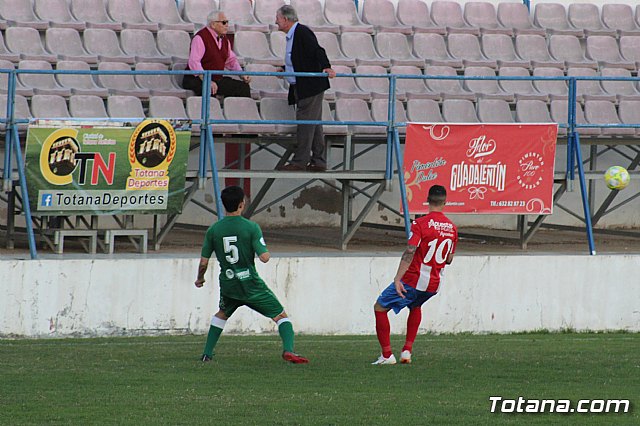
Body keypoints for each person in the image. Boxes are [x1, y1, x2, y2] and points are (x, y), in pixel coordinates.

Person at [195, 185, 309, 364]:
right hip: (250, 283)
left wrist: (200, 278)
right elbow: (264, 257)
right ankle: (289, 350)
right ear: (242, 204)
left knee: (222, 314)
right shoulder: (251, 227)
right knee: (280, 316)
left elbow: (203, 262)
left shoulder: (214, 230)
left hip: (229, 283)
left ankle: (206, 354)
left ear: (224, 205)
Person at [372, 185, 458, 365]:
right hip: (433, 284)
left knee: (380, 307)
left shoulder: (420, 224)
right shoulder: (452, 228)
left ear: (428, 200)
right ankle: (407, 351)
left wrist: (397, 279)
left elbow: (410, 250)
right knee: (416, 306)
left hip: (413, 279)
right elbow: (449, 259)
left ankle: (387, 355)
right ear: (445, 202)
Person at [274, 5, 336, 172]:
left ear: (286, 19)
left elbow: (317, 50)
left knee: (305, 123)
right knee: (314, 124)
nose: (276, 22)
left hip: (309, 85)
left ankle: (300, 161)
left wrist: (327, 66)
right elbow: (299, 58)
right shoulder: (294, 34)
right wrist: (285, 68)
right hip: (304, 85)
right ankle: (318, 161)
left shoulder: (302, 32)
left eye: (278, 18)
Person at [182, 10, 251, 98]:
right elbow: (194, 62)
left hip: (215, 78)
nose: (227, 25)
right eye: (223, 22)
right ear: (213, 24)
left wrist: (242, 74)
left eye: (227, 22)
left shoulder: (225, 40)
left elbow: (231, 61)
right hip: (196, 79)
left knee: (242, 87)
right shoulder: (200, 37)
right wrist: (207, 80)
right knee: (210, 90)